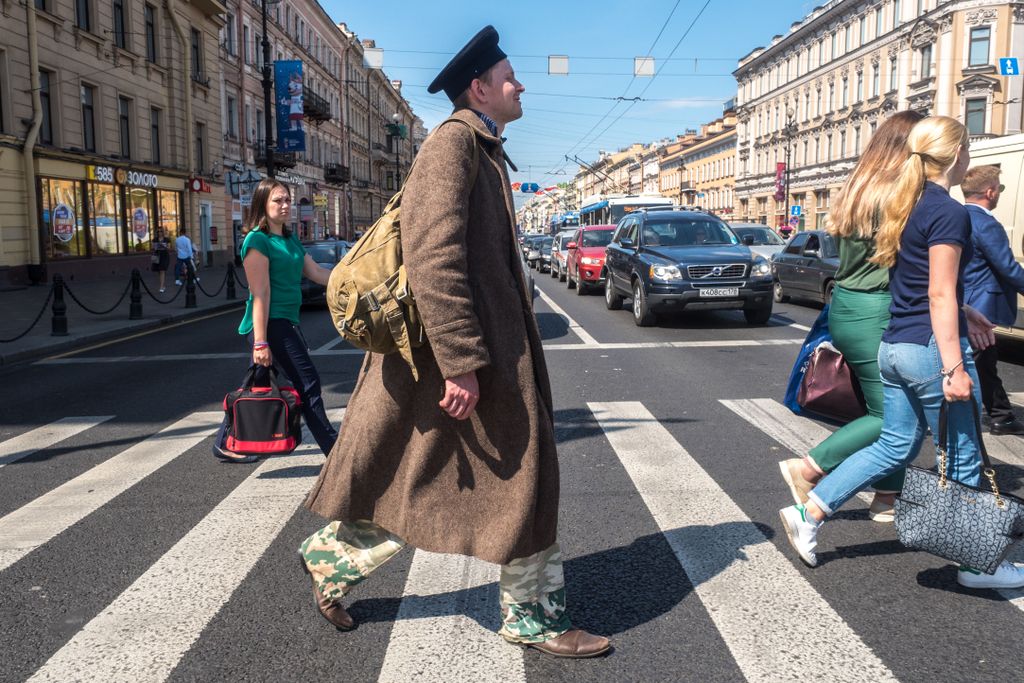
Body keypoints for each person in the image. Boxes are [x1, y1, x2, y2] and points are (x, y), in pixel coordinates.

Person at [298, 26, 611, 658]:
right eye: (510, 77)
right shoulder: (453, 146)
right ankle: (535, 617)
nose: (520, 85)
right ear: (480, 87)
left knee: (418, 471)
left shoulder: (481, 147)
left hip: (481, 354)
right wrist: (461, 362)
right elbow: (432, 257)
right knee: (522, 473)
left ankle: (332, 560)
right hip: (468, 357)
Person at [778, 115, 1024, 589]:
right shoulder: (949, 212)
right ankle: (976, 566)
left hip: (893, 343)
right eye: (968, 148)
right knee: (963, 452)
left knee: (894, 442)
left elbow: (913, 282)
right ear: (955, 155)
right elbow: (936, 294)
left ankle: (809, 512)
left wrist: (963, 309)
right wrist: (954, 366)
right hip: (930, 350)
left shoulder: (901, 203)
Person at [779, 111, 924, 523]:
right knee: (893, 416)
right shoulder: (900, 193)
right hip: (877, 308)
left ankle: (887, 496)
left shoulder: (857, 188)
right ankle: (809, 468)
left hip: (845, 304)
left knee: (885, 405)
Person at [213, 178, 338, 463]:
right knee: (308, 384)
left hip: (286, 321)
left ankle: (224, 442)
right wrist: (260, 341)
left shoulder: (289, 238)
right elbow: (260, 294)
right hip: (271, 322)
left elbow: (317, 273)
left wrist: (354, 277)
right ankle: (334, 451)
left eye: (287, 200)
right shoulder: (257, 240)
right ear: (262, 204)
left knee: (256, 382)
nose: (285, 205)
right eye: (277, 200)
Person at [962, 165, 1024, 435]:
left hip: (963, 300)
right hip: (981, 305)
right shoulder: (986, 223)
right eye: (999, 189)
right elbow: (1007, 267)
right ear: (990, 191)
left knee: (982, 361)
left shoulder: (956, 216)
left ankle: (1001, 414)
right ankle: (999, 415)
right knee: (980, 361)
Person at [151, 228, 171, 292]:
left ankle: (161, 287)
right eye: (158, 231)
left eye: (161, 231)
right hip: (157, 255)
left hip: (164, 255)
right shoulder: (155, 239)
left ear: (163, 232)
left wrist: (164, 246)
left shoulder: (166, 239)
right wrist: (155, 246)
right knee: (159, 271)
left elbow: (169, 247)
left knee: (162, 270)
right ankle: (163, 284)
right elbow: (152, 247)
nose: (159, 232)